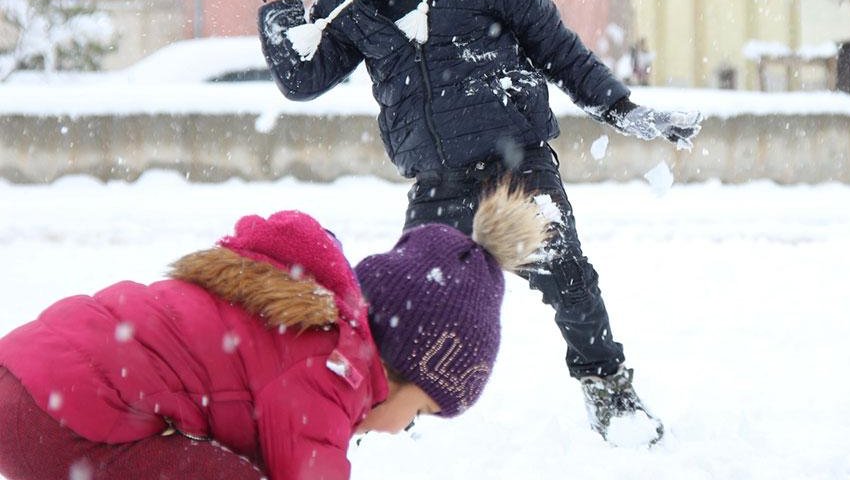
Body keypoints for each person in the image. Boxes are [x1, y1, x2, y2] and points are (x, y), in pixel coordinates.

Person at [237, 0, 702, 445]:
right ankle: (381, 404)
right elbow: (301, 77)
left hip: (518, 169)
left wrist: (621, 107)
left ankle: (607, 386)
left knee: (570, 281)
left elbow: (555, 46)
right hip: (437, 182)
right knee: (404, 305)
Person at [0, 183, 547, 480]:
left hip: (29, 380)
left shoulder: (306, 327)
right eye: (422, 413)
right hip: (58, 424)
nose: (400, 429)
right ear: (399, 365)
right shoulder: (332, 371)